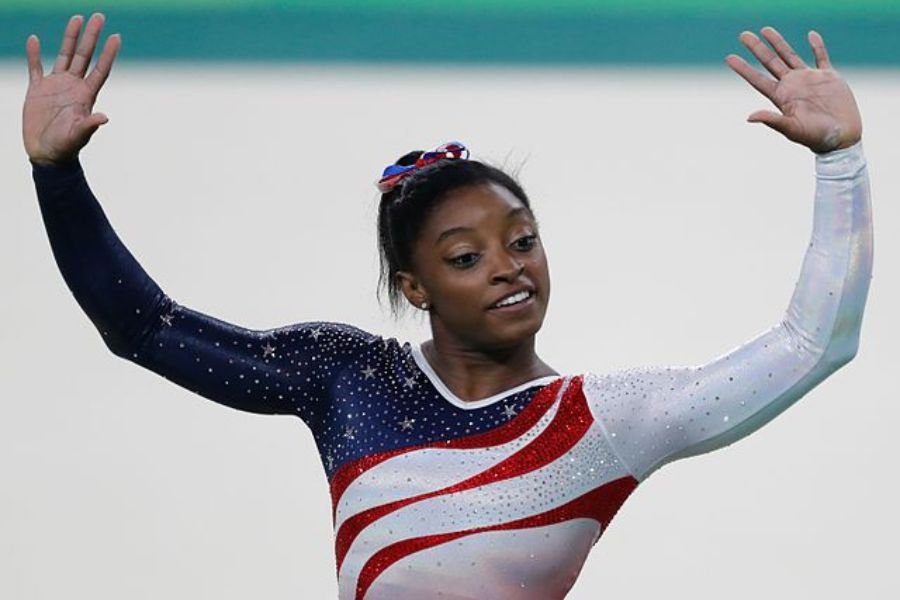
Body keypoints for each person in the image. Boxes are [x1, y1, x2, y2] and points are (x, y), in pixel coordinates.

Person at [23, 13, 872, 600]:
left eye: (524, 240)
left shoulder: (604, 420)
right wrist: (56, 176)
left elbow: (812, 344)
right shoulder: (344, 375)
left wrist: (841, 163)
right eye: (468, 257)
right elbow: (145, 327)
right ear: (413, 286)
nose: (510, 269)